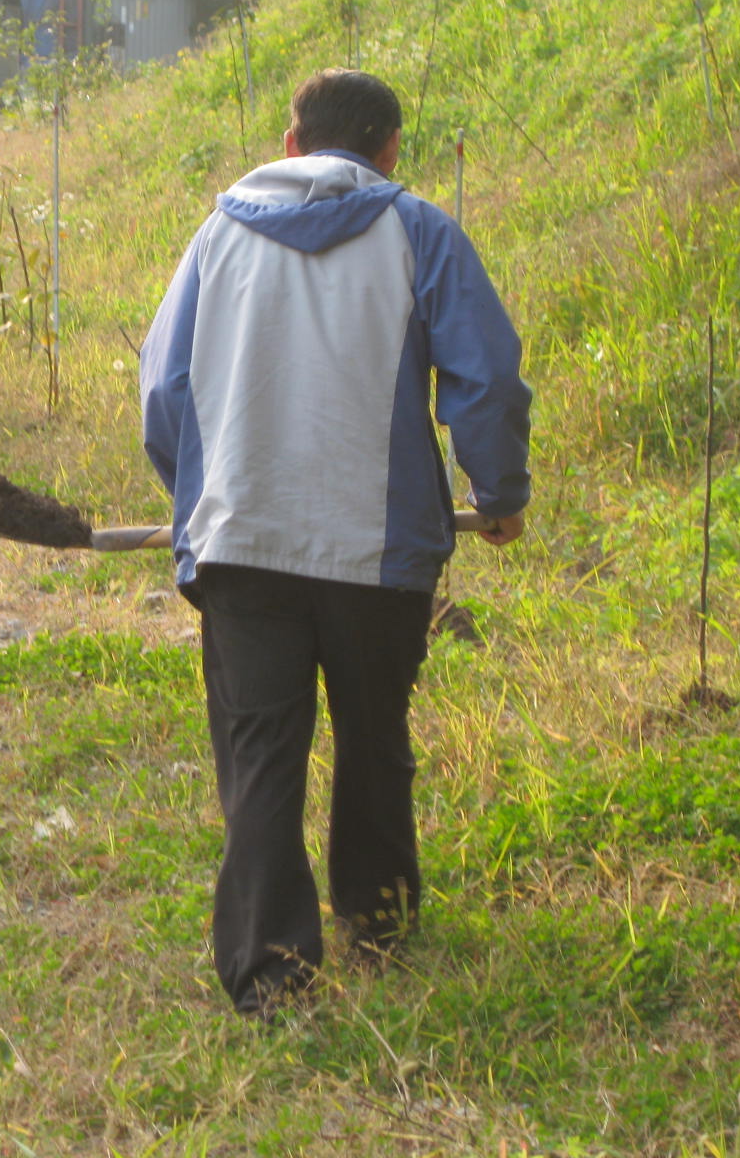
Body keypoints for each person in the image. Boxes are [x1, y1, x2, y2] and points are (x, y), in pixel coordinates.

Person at [139, 69, 532, 1019]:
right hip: (378, 555)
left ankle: (270, 974)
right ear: (390, 149)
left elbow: (164, 389)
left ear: (290, 141)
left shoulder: (217, 234)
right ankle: (379, 912)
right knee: (373, 732)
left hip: (245, 547)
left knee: (262, 749)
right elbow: (484, 379)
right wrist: (500, 492)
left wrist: (201, 498)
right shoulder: (420, 232)